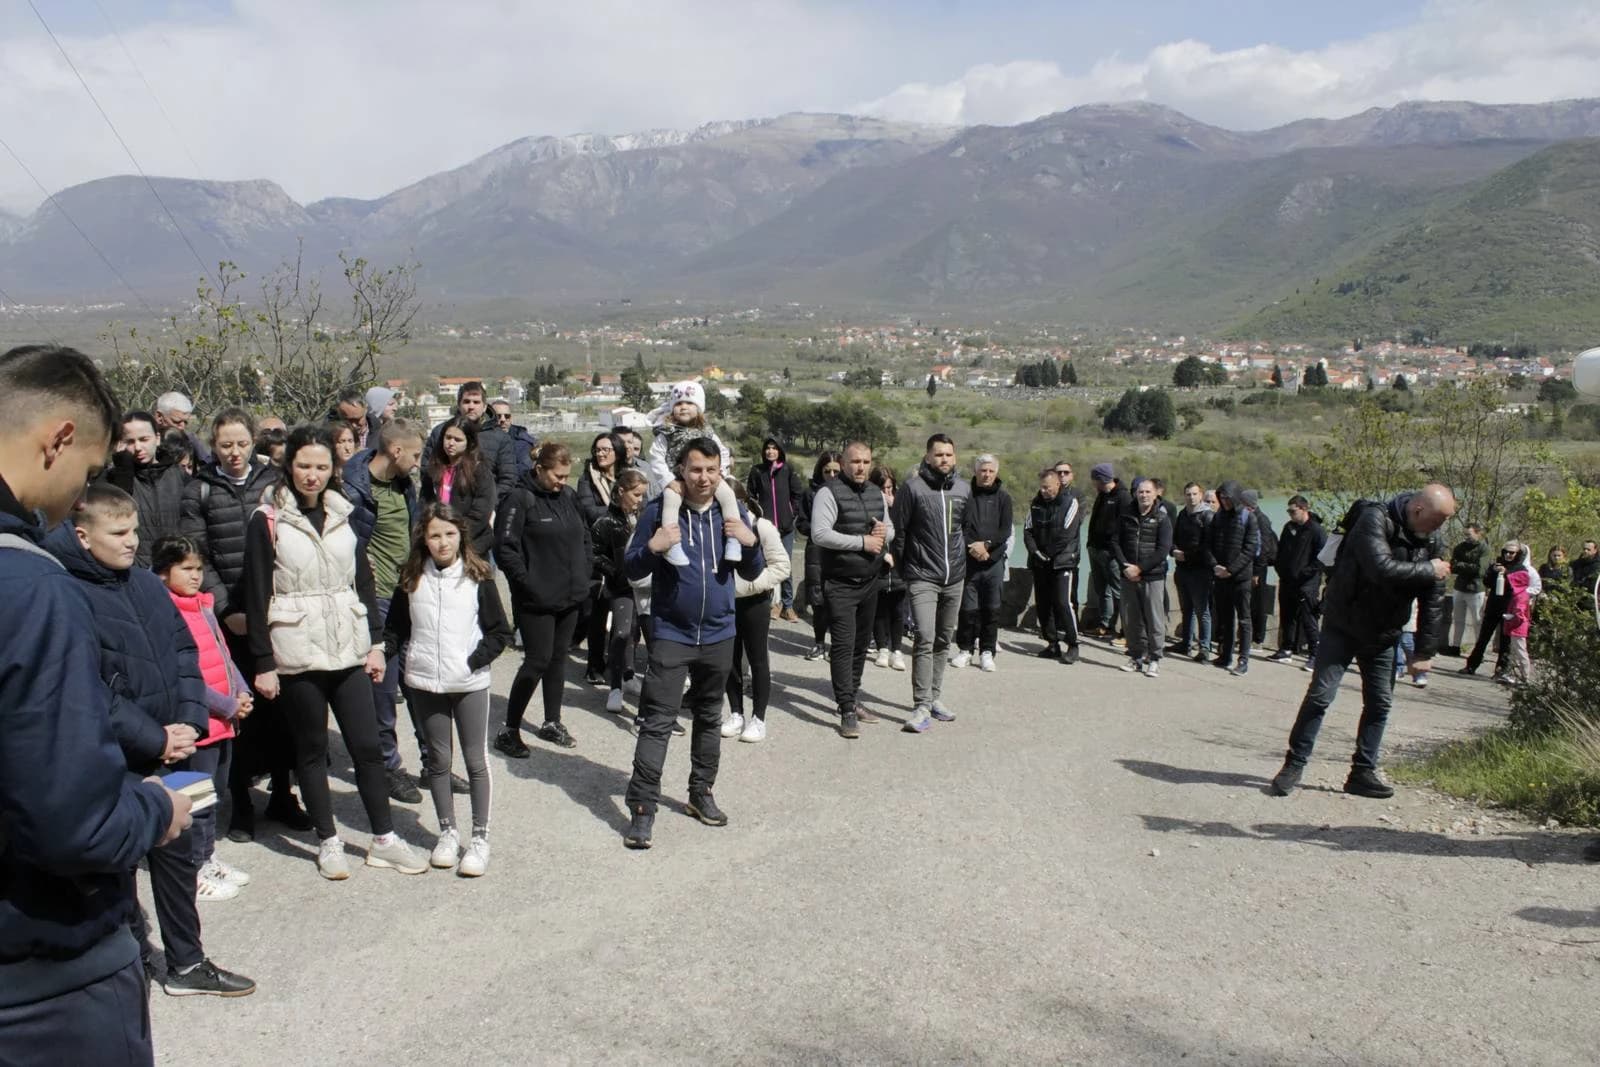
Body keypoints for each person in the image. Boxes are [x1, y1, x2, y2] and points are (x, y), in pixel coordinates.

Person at [0, 345, 193, 1062]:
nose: (75, 495)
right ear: (57, 440)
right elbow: (71, 822)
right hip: (43, 982)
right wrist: (152, 809)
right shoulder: (31, 586)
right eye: (86, 473)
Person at [242, 424, 429, 880]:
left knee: (367, 748)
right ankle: (328, 841)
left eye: (321, 466)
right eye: (304, 465)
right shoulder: (266, 520)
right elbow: (255, 593)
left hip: (348, 645)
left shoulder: (345, 512)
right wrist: (263, 663)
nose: (312, 474)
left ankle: (383, 838)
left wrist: (378, 644)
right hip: (297, 649)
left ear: (334, 469)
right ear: (288, 466)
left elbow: (362, 581)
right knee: (310, 750)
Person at [1269, 484, 1455, 799]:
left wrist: (1423, 650)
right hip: (1344, 624)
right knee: (1321, 695)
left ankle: (1362, 772)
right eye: (1436, 521)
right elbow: (1380, 569)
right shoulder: (1374, 519)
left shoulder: (1432, 541)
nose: (1438, 530)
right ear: (1418, 510)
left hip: (1384, 633)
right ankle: (1294, 764)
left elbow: (1433, 597)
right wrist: (1428, 569)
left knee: (1380, 703)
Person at [621, 437, 762, 848]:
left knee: (708, 718)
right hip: (671, 634)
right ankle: (643, 810)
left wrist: (750, 544)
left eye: (711, 470)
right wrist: (653, 546)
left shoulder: (731, 512)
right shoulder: (657, 513)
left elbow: (750, 572)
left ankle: (701, 793)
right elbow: (631, 566)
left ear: (721, 471)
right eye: (696, 469)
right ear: (682, 470)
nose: (703, 478)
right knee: (658, 723)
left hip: (720, 634)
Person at [180, 408, 308, 842]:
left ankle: (283, 795)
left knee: (283, 710)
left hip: (277, 611)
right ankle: (240, 805)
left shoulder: (273, 481)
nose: (234, 453)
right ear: (213, 446)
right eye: (225, 445)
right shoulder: (199, 489)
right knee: (240, 712)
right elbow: (198, 554)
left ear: (253, 440)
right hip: (229, 618)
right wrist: (223, 609)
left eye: (241, 443)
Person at [382, 503, 514, 877]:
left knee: (475, 761)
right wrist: (381, 653)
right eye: (435, 534)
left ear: (461, 536)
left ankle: (479, 839)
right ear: (423, 538)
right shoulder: (411, 578)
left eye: (450, 534)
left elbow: (499, 632)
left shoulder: (478, 576)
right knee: (438, 761)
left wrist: (472, 661)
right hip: (424, 683)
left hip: (468, 683)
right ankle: (447, 833)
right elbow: (395, 629)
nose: (442, 542)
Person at [153, 535, 255, 902]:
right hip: (197, 723)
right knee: (194, 799)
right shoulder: (166, 614)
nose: (196, 576)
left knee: (215, 793)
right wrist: (227, 706)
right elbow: (184, 678)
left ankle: (207, 856)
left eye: (199, 569)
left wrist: (241, 691)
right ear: (164, 572)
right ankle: (192, 867)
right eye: (187, 569)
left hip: (223, 721)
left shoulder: (203, 606)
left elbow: (224, 657)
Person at [342, 419, 431, 802]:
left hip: (405, 593)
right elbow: (344, 537)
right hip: (376, 601)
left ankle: (434, 764)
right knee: (384, 688)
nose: (417, 462)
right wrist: (358, 562)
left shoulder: (403, 485)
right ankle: (389, 767)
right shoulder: (353, 488)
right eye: (414, 454)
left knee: (419, 683)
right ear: (395, 451)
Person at [493, 442, 592, 755]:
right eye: (557, 475)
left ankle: (552, 722)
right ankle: (509, 729)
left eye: (566, 475)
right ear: (539, 469)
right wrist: (527, 583)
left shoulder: (569, 496)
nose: (562, 480)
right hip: (536, 598)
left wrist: (585, 572)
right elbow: (505, 549)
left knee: (558, 659)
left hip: (571, 595)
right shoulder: (520, 500)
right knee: (537, 660)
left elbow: (585, 536)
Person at [812, 441, 894, 739]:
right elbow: (820, 534)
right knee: (844, 646)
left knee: (861, 645)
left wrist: (884, 534)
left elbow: (890, 528)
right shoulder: (828, 492)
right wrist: (863, 542)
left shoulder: (875, 493)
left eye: (866, 462)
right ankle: (846, 707)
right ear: (844, 463)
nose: (861, 467)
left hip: (869, 581)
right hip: (840, 582)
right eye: (855, 461)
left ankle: (852, 696)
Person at [892, 434, 970, 733]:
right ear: (927, 457)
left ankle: (935, 698)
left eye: (949, 454)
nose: (944, 460)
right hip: (922, 575)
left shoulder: (964, 489)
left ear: (955, 457)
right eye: (938, 455)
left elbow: (965, 528)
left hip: (955, 577)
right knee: (924, 636)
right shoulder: (913, 489)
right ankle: (921, 704)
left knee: (943, 639)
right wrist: (905, 569)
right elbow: (899, 532)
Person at [722, 482, 790, 744]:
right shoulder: (718, 529)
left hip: (755, 602)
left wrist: (749, 586)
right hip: (727, 604)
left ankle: (758, 718)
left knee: (757, 659)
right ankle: (736, 712)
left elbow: (781, 567)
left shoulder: (762, 527)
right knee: (729, 659)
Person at [647, 382, 742, 567]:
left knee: (728, 495)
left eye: (689, 403)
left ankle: (733, 539)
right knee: (671, 500)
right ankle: (672, 544)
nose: (683, 407)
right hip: (678, 479)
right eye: (678, 403)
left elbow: (722, 452)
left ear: (699, 408)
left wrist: (720, 473)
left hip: (707, 478)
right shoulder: (667, 433)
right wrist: (668, 481)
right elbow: (656, 458)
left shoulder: (706, 431)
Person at [592, 469, 649, 714]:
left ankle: (628, 675)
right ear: (622, 491)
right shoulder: (605, 522)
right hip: (621, 587)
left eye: (643, 495)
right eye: (636, 494)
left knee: (635, 633)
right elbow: (593, 554)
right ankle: (615, 687)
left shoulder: (644, 518)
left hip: (645, 586)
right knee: (621, 632)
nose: (640, 500)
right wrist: (614, 570)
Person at [953, 453, 1012, 672]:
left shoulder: (1004, 498)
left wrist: (986, 547)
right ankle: (965, 650)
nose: (986, 475)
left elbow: (1005, 530)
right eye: (982, 470)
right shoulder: (966, 496)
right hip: (970, 561)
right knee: (968, 609)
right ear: (975, 472)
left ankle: (987, 651)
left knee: (991, 609)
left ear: (996, 472)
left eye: (990, 471)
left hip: (993, 561)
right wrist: (974, 547)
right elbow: (960, 527)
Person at [106, 410, 189, 568]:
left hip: (177, 570)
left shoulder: (179, 476)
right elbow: (114, 516)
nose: (137, 447)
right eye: (130, 441)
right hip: (136, 572)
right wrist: (122, 470)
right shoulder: (112, 479)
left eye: (144, 439)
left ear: (157, 439)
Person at [575, 432, 623, 683]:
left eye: (606, 449)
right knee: (597, 611)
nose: (600, 454)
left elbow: (642, 502)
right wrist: (620, 508)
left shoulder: (626, 475)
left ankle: (618, 665)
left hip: (623, 551)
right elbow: (589, 511)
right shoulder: (587, 479)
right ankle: (594, 664)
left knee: (623, 611)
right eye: (597, 449)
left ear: (617, 452)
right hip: (596, 550)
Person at [1113, 477, 1173, 676]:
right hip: (1128, 574)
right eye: (1141, 492)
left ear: (1156, 493)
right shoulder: (1125, 515)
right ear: (1135, 494)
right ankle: (1136, 657)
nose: (1144, 495)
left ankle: (1154, 659)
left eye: (1148, 492)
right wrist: (1126, 567)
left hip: (1152, 576)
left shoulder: (1162, 518)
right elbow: (1115, 542)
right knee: (1131, 620)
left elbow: (1163, 549)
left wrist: (1140, 568)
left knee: (1155, 620)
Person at [1024, 466, 1083, 664]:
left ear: (1057, 484)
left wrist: (1048, 553)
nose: (1044, 491)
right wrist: (1035, 552)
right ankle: (1052, 643)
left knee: (1063, 603)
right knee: (1044, 604)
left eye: (1047, 487)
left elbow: (1067, 534)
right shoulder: (1036, 504)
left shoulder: (1070, 502)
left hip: (1062, 561)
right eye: (1041, 487)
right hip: (1041, 562)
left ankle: (1073, 644)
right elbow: (1028, 530)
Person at [425, 381, 519, 499]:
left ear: (484, 406)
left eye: (476, 402)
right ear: (459, 404)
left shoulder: (500, 438)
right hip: (445, 508)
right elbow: (427, 471)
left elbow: (508, 479)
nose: (471, 406)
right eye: (466, 401)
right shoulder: (440, 433)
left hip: (486, 509)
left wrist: (485, 502)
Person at [420, 416, 497, 558]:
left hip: (471, 547)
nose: (451, 443)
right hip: (439, 547)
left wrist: (455, 536)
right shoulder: (434, 469)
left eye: (457, 440)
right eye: (448, 437)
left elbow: (480, 513)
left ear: (469, 443)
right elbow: (425, 503)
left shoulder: (480, 471)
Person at [746, 436, 805, 621]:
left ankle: (788, 606)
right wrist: (757, 517)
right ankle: (772, 604)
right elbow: (750, 496)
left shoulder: (787, 470)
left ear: (780, 450)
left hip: (785, 529)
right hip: (765, 529)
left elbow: (797, 494)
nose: (770, 451)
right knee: (764, 565)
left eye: (774, 448)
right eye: (767, 448)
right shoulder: (757, 471)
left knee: (785, 566)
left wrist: (791, 514)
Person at [1206, 480, 1259, 676]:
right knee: (1225, 619)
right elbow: (1208, 545)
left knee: (1244, 620)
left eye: (1228, 498)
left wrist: (1231, 570)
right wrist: (1215, 566)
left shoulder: (1249, 518)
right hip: (1221, 576)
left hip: (1240, 579)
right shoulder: (1218, 517)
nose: (1225, 502)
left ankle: (1243, 659)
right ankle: (1225, 654)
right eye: (1222, 498)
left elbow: (1250, 549)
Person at [1462, 541, 1535, 679]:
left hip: (1509, 607)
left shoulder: (1521, 569)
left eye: (1512, 553)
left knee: (1505, 641)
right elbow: (1487, 582)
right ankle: (1471, 665)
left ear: (1517, 554)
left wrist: (1506, 573)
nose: (1508, 555)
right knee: (1483, 637)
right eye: (1506, 552)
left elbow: (1519, 585)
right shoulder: (1497, 564)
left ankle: (1501, 670)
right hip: (1493, 605)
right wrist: (1493, 572)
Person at [796, 451, 843, 660]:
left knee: (839, 599)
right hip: (816, 550)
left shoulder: (848, 492)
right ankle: (818, 643)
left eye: (836, 471)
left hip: (841, 549)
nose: (831, 475)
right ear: (820, 471)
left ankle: (836, 644)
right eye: (827, 471)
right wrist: (817, 529)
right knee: (817, 597)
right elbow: (801, 522)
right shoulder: (810, 493)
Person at [1270, 496, 1326, 665]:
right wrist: (1281, 569)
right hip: (1287, 581)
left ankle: (1315, 655)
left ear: (1304, 509)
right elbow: (1281, 552)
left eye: (1293, 511)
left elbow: (1322, 557)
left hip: (1306, 583)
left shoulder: (1316, 530)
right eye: (1288, 511)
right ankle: (1286, 649)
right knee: (1287, 617)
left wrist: (1305, 573)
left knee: (1308, 618)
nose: (1290, 515)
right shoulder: (1289, 528)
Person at [869, 465, 909, 672]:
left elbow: (906, 533)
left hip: (899, 566)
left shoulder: (901, 504)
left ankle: (897, 651)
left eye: (890, 488)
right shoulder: (869, 506)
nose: (887, 493)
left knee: (898, 610)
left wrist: (896, 508)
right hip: (879, 565)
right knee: (880, 610)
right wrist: (882, 554)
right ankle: (882, 648)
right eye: (883, 489)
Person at [1085, 463, 1130, 637]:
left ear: (1101, 479)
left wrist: (1115, 550)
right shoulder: (1102, 495)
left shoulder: (1123, 497)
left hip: (1110, 553)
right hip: (1095, 548)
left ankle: (1126, 630)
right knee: (1102, 590)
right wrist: (1090, 543)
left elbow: (1124, 528)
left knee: (1118, 591)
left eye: (1094, 480)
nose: (1093, 484)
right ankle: (1106, 625)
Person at [1170, 482, 1213, 659]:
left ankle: (1204, 647)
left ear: (1201, 495)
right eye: (1188, 494)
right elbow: (1174, 537)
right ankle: (1185, 643)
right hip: (1182, 569)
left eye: (1195, 494)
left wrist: (1187, 556)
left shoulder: (1207, 516)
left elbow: (1208, 546)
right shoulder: (1182, 514)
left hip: (1200, 570)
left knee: (1202, 610)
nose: (1191, 497)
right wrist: (1173, 550)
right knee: (1186, 609)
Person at [1242, 490, 1277, 645]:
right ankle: (1250, 636)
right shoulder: (1249, 517)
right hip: (1249, 565)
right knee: (1249, 603)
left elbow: (1264, 548)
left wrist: (1257, 572)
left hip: (1258, 568)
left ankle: (1258, 638)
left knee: (1258, 603)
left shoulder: (1261, 520)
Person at [1446, 523, 1487, 656]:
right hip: (1460, 587)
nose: (1466, 537)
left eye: (1469, 534)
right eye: (1465, 535)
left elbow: (1481, 570)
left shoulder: (1484, 549)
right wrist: (1467, 567)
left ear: (1477, 533)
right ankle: (1456, 646)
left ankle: (1479, 649)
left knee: (1477, 621)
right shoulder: (1459, 548)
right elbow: (1453, 566)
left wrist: (1462, 565)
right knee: (1458, 619)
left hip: (1475, 589)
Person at [1501, 557, 1534, 688]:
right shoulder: (1520, 594)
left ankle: (1525, 677)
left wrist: (1511, 619)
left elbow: (1520, 614)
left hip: (1518, 627)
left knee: (1520, 651)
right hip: (1516, 626)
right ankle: (1512, 674)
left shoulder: (1520, 595)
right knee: (1514, 651)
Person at [154, 390, 212, 465]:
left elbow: (208, 464)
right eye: (176, 422)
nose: (182, 427)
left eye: (185, 422)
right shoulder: (144, 439)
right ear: (159, 417)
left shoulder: (190, 439)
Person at [491, 400, 538, 479]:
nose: (503, 420)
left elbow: (522, 470)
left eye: (507, 416)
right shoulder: (481, 437)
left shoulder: (522, 442)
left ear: (511, 418)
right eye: (498, 416)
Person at [331, 386, 379, 453]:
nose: (354, 425)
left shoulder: (380, 434)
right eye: (348, 420)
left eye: (357, 419)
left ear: (365, 409)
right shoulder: (329, 437)